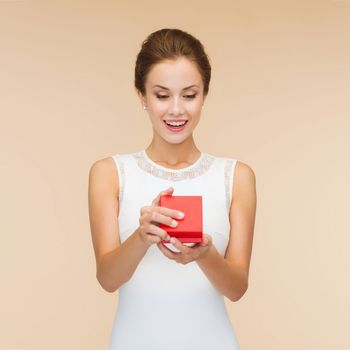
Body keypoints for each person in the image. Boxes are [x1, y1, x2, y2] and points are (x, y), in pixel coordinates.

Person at [88, 28, 257, 350]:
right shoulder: (110, 173)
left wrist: (204, 255)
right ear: (142, 96)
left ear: (205, 95)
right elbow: (108, 280)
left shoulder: (235, 176)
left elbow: (237, 288)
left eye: (189, 95)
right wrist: (141, 237)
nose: (176, 110)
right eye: (162, 95)